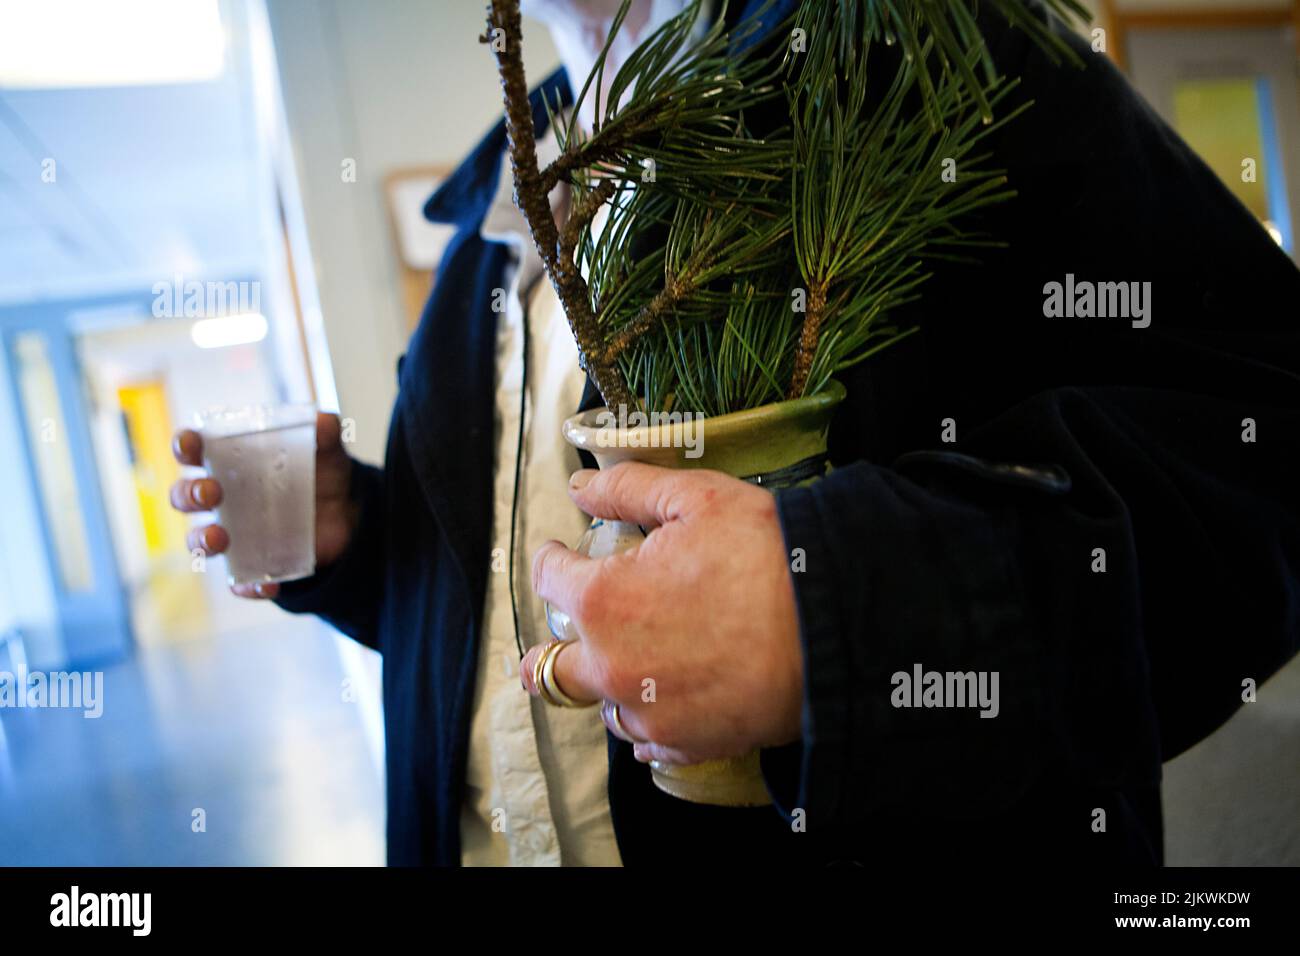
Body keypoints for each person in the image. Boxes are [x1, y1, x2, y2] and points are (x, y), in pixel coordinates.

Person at [170, 0, 1300, 866]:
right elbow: (515, 607)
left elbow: (1263, 445)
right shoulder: (489, 221)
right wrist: (365, 544)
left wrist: (837, 608)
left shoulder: (934, 60)